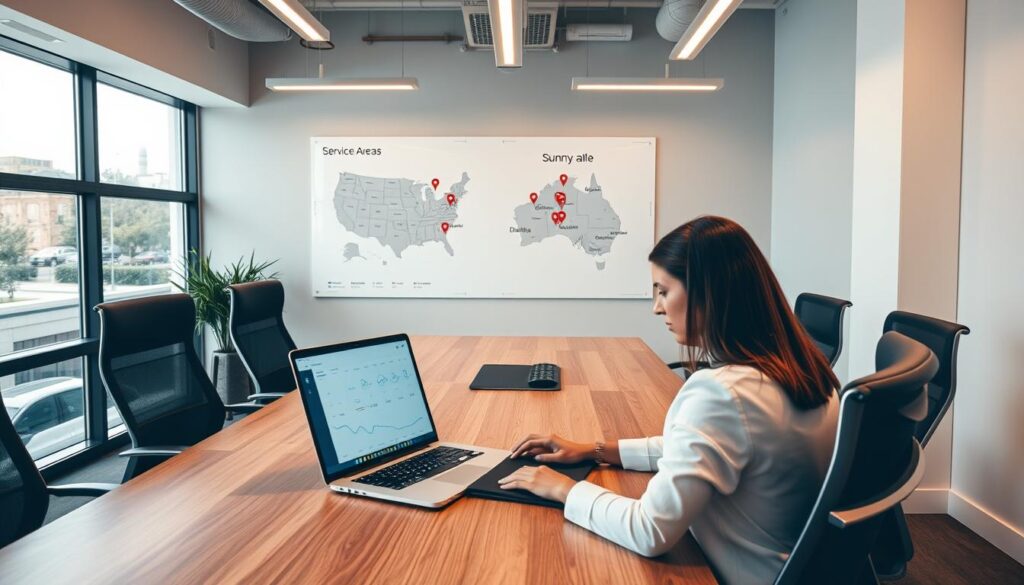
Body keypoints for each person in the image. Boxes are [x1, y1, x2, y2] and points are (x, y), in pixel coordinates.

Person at [499, 216, 840, 584]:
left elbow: (650, 531)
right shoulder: (803, 371)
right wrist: (595, 450)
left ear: (708, 293)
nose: (656, 307)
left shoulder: (722, 395)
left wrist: (565, 489)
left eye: (663, 291)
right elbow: (704, 448)